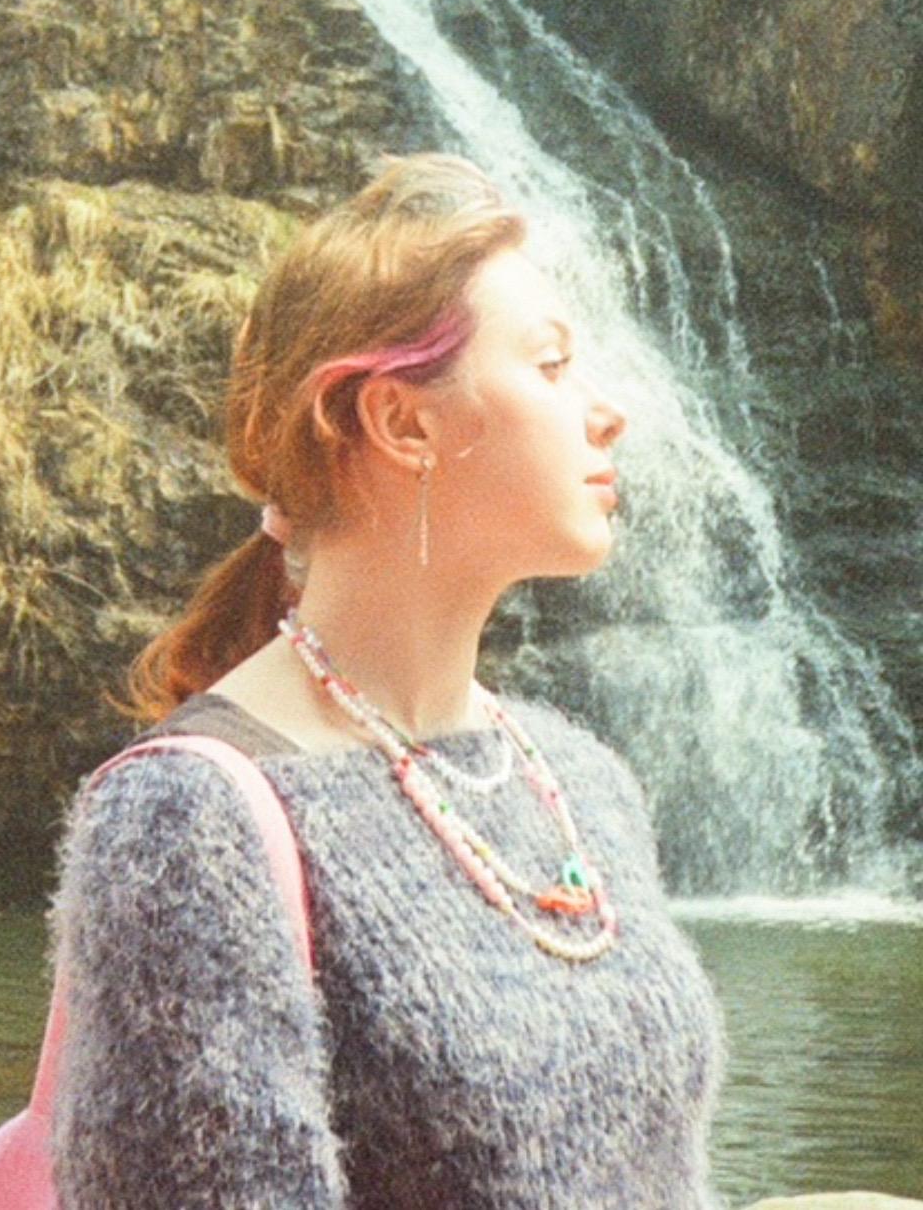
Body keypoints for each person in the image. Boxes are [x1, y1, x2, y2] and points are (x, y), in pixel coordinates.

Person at [47, 150, 726, 1209]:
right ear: (402, 422)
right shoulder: (186, 821)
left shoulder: (583, 781)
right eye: (551, 367)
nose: (608, 413)